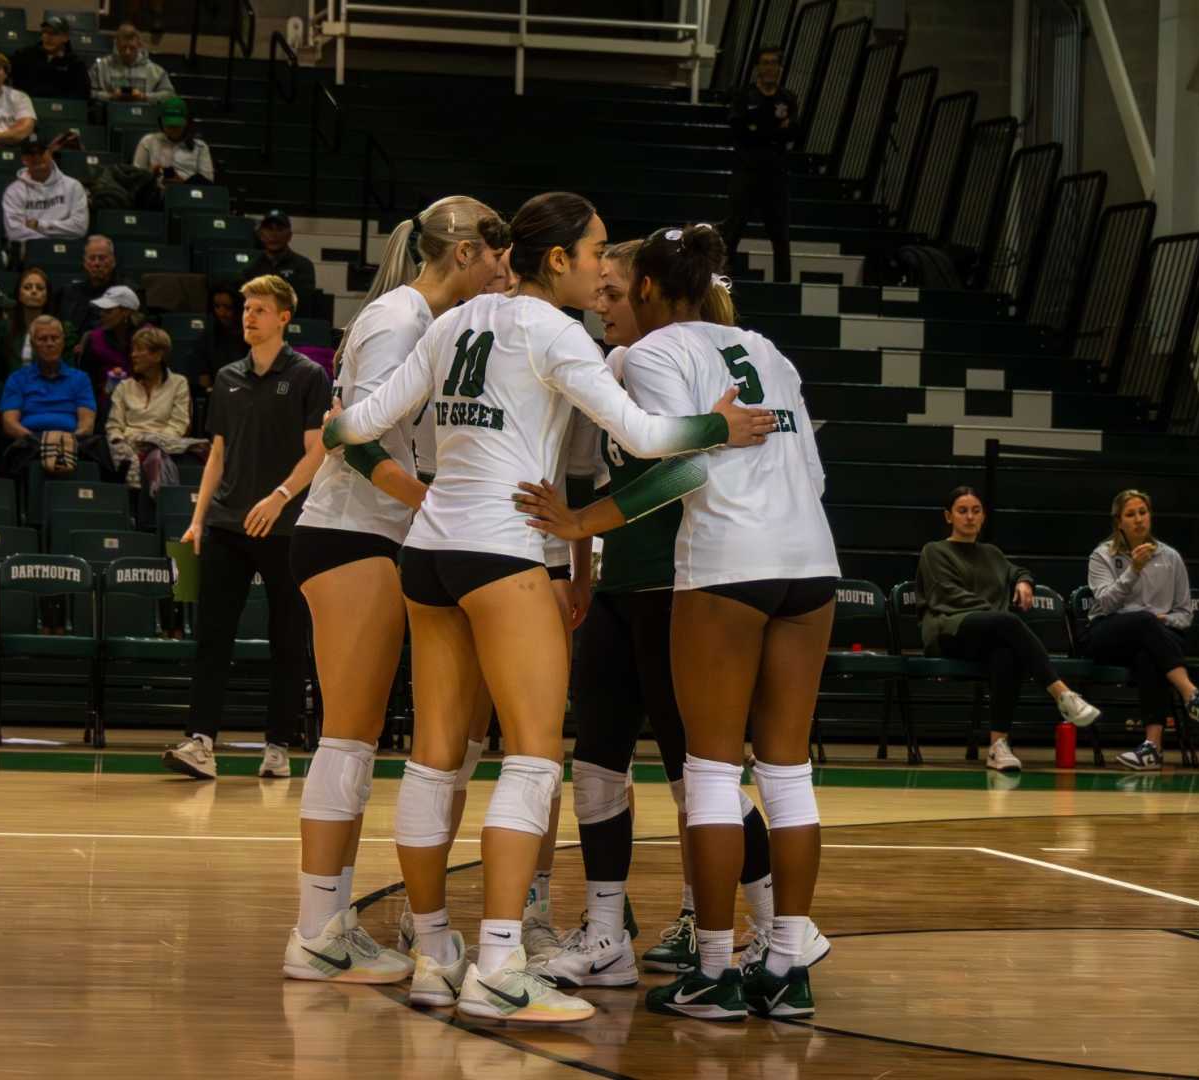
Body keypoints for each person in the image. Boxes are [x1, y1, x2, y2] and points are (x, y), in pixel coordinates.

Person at [322, 192, 775, 1024]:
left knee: (432, 760)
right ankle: (498, 961)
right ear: (558, 259)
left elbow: (348, 429)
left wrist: (366, 451)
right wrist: (713, 424)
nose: (608, 265)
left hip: (427, 549)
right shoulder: (557, 332)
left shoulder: (452, 322)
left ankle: (433, 954)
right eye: (598, 250)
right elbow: (642, 438)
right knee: (532, 756)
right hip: (501, 549)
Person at [510, 224, 829, 1021]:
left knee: (714, 774)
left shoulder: (653, 354)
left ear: (647, 287)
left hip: (728, 563)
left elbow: (678, 465)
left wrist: (583, 525)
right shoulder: (767, 347)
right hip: (812, 562)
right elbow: (814, 470)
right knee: (787, 774)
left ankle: (714, 970)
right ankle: (788, 966)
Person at [282, 196, 508, 990]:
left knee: (360, 735)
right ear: (466, 254)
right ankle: (315, 930)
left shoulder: (427, 320)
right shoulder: (400, 318)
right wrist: (431, 503)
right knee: (347, 736)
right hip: (351, 531)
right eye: (496, 251)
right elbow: (354, 436)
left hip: (382, 535)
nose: (503, 265)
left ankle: (332, 923)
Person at [161, 274, 331, 782]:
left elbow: (318, 450)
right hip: (227, 525)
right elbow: (218, 453)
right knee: (213, 636)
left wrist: (280, 498)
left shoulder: (306, 376)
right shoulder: (229, 376)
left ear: (283, 317)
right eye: (246, 309)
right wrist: (196, 519)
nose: (248, 316)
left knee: (286, 638)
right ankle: (201, 742)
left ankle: (278, 745)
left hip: (284, 529)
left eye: (259, 309)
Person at [914, 487, 1101, 772]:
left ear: (983, 517)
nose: (969, 517)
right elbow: (947, 595)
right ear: (948, 516)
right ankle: (1063, 695)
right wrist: (996, 616)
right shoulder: (934, 550)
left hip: (989, 633)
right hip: (948, 629)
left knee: (1007, 653)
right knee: (1008, 624)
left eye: (976, 511)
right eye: (962, 511)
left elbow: (1017, 571)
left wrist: (1024, 582)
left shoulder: (992, 553)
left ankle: (998, 745)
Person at [1087, 490, 1199, 771]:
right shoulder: (1102, 555)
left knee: (1149, 653)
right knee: (1143, 621)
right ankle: (1191, 695)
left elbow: (1185, 614)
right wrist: (1133, 570)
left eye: (1143, 512)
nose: (1138, 519)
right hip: (1108, 633)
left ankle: (1152, 748)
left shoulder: (1170, 557)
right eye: (1130, 514)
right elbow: (1105, 603)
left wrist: (1165, 621)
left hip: (1156, 636)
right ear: (1118, 522)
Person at [722, 46, 795, 285]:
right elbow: (739, 132)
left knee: (780, 235)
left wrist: (761, 130)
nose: (769, 67)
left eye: (774, 62)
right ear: (757, 68)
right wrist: (772, 130)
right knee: (732, 231)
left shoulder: (788, 98)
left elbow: (794, 133)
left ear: (780, 68)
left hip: (776, 174)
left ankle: (784, 289)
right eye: (765, 62)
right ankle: (722, 285)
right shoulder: (744, 97)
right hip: (747, 171)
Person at [105, 325, 201, 492]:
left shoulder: (179, 383)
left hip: (164, 445)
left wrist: (152, 441)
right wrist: (123, 442)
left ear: (158, 355)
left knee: (160, 457)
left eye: (140, 350)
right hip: (128, 446)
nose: (133, 355)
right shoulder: (124, 386)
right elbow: (114, 426)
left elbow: (179, 426)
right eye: (132, 350)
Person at [0, 313, 97, 473]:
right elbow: (9, 424)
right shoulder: (17, 379)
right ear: (32, 344)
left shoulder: (80, 379)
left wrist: (67, 441)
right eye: (43, 339)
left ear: (63, 342)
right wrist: (40, 442)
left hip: (73, 442)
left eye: (55, 338)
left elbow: (87, 424)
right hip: (30, 444)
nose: (49, 343)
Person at [1, 132, 88, 243]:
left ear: (50, 153)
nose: (36, 157)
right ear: (23, 159)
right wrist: (47, 246)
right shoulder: (13, 191)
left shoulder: (73, 186)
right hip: (31, 253)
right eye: (31, 153)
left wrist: (39, 225)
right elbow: (14, 232)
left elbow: (79, 227)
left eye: (41, 151)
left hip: (68, 251)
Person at [77, 285, 141, 409]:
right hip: (105, 406)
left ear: (126, 312)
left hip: (142, 405)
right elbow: (88, 382)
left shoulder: (147, 336)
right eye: (101, 310)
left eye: (108, 311)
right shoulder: (94, 338)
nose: (102, 314)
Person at [130, 95, 212, 188]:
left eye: (177, 125)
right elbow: (135, 179)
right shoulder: (148, 142)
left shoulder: (200, 147)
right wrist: (151, 175)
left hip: (187, 195)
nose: (173, 129)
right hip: (154, 194)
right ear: (161, 122)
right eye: (169, 125)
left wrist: (182, 183)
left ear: (187, 122)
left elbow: (207, 187)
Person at [89, 22, 175, 104]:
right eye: (123, 47)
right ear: (117, 45)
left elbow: (169, 95)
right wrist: (110, 96)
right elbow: (88, 92)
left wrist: (144, 97)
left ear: (139, 45)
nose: (127, 52)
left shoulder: (155, 71)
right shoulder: (100, 67)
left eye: (132, 48)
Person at [10, 16, 90, 102]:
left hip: (61, 110)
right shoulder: (24, 56)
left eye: (54, 33)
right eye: (45, 32)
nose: (48, 37)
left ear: (65, 37)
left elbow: (82, 94)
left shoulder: (75, 64)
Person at [58, 236, 123, 336]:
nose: (96, 263)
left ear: (113, 261)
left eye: (102, 258)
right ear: (85, 262)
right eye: (92, 258)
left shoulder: (125, 293)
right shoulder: (69, 292)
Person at [193, 281, 246, 392]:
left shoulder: (253, 336)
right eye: (217, 306)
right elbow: (204, 379)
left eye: (227, 307)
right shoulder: (207, 337)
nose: (221, 313)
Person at [253, 210, 316, 293]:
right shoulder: (253, 268)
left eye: (280, 229)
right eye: (269, 229)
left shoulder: (303, 266)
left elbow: (302, 300)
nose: (274, 234)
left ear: (289, 235)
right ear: (261, 235)